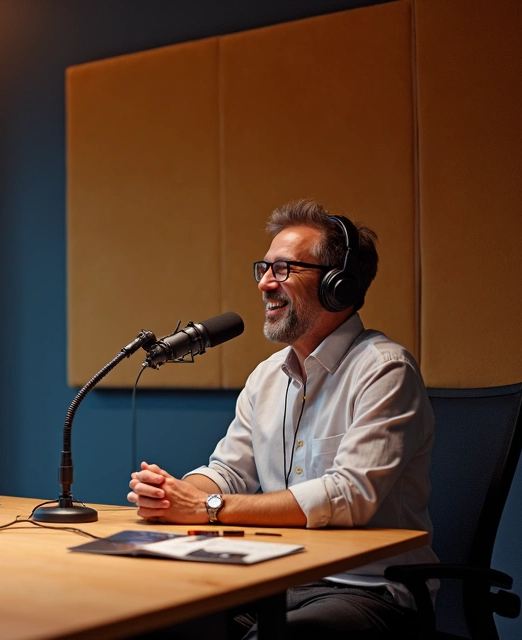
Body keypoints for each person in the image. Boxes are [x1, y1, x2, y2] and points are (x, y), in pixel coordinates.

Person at [127, 199, 437, 638]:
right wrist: (174, 493)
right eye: (264, 269)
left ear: (337, 286)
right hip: (274, 581)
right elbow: (228, 471)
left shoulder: (385, 369)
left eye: (283, 270)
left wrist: (206, 509)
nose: (265, 285)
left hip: (367, 592)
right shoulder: (267, 376)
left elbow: (349, 496)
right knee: (150, 621)